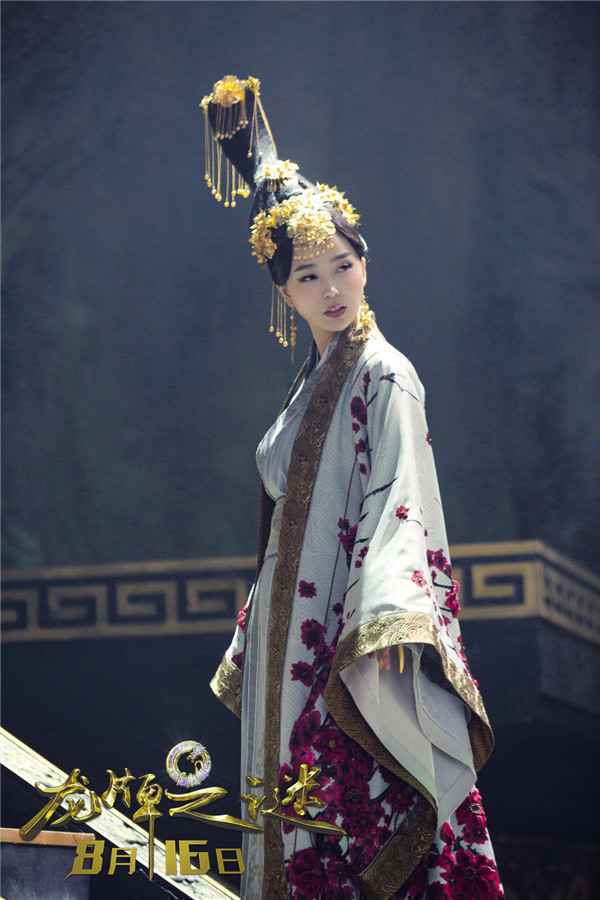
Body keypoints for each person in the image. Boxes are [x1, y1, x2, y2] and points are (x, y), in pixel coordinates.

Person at [203, 75, 504, 899]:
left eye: (343, 265)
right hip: (288, 636)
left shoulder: (384, 374)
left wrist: (382, 625)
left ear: (366, 263)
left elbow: (399, 500)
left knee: (347, 815)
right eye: (308, 276)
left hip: (346, 636)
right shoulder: (311, 384)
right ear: (283, 292)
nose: (331, 288)